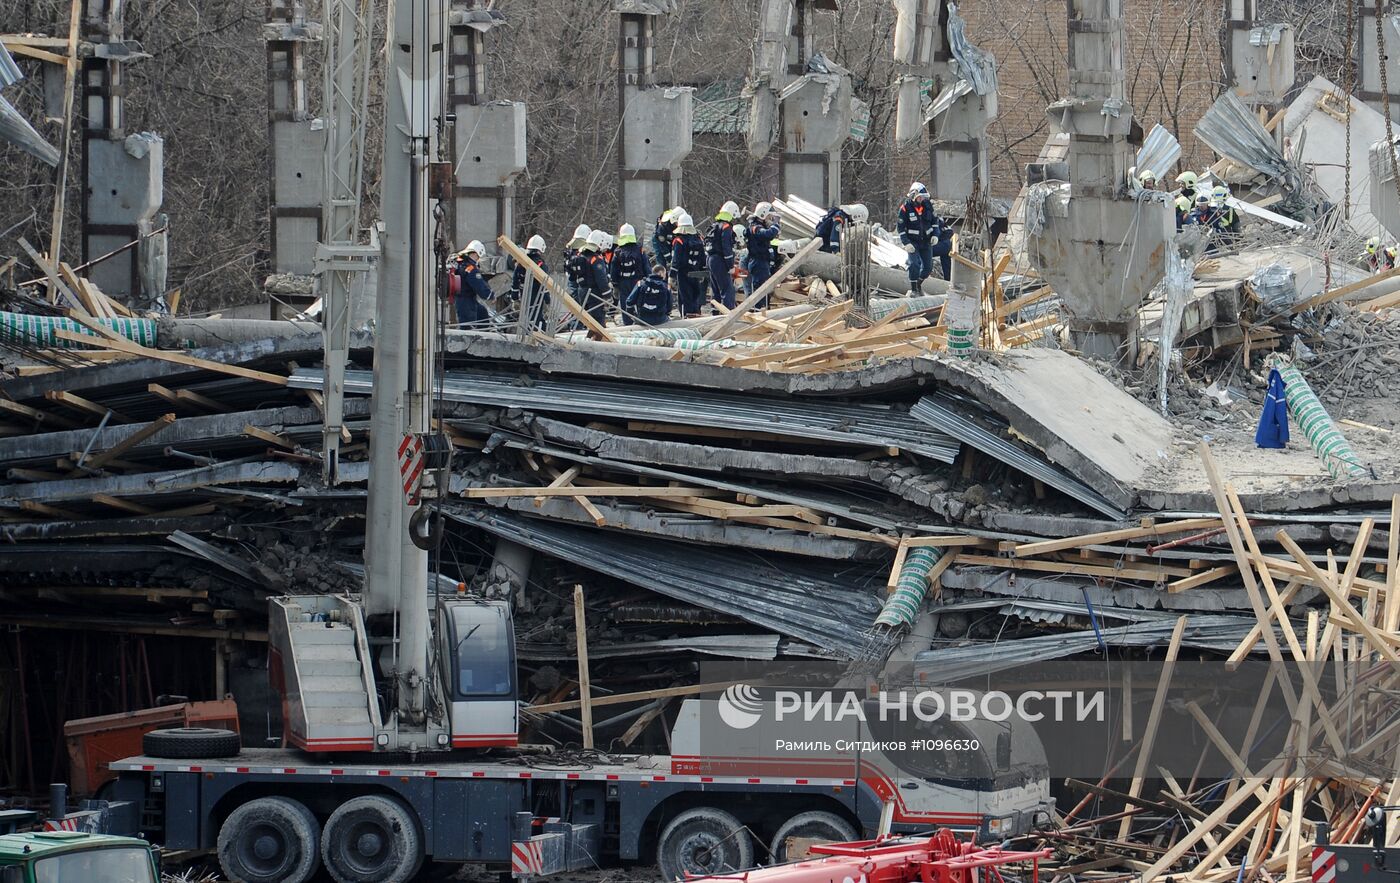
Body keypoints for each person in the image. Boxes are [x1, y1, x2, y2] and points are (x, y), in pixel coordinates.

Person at [897, 182, 950, 293]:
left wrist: (935, 235)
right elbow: (901, 229)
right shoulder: (905, 209)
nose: (922, 200)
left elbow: (935, 222)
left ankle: (918, 284)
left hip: (926, 242)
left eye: (923, 197)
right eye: (920, 197)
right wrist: (906, 243)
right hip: (913, 242)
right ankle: (913, 290)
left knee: (927, 268)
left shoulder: (928, 207)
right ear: (913, 196)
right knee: (914, 265)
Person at [566, 229, 611, 328]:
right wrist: (608, 295)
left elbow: (572, 276)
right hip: (594, 294)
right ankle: (598, 340)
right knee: (597, 322)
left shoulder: (579, 257)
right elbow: (601, 279)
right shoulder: (596, 260)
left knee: (585, 320)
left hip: (581, 291)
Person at [610, 224, 651, 325]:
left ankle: (628, 324)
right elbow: (647, 267)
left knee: (625, 304)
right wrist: (649, 280)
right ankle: (641, 323)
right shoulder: (640, 250)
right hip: (638, 282)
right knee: (639, 302)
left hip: (623, 283)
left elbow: (613, 271)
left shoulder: (617, 252)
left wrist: (615, 285)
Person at [508, 234, 550, 329]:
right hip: (536, 296)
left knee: (526, 318)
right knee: (536, 319)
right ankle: (538, 336)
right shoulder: (541, 265)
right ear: (541, 248)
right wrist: (548, 300)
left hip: (524, 295)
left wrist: (514, 298)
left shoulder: (521, 263)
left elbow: (515, 282)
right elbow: (545, 285)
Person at [671, 212, 709, 317]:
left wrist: (672, 276)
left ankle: (686, 317)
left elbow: (676, 260)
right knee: (695, 295)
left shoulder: (679, 241)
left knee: (684, 296)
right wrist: (702, 272)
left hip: (684, 273)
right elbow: (703, 257)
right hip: (696, 272)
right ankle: (696, 313)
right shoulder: (699, 239)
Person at [744, 202, 781, 306]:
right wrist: (776, 225)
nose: (770, 218)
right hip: (758, 262)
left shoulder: (759, 226)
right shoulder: (755, 227)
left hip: (762, 262)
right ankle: (759, 312)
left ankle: (763, 309)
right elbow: (768, 234)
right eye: (769, 216)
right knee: (760, 291)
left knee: (765, 291)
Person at [452, 240, 494, 327]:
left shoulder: (461, 263)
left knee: (482, 314)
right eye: (478, 257)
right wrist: (490, 295)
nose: (478, 259)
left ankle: (483, 337)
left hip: (463, 299)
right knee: (468, 328)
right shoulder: (471, 268)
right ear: (475, 254)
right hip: (466, 301)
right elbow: (479, 285)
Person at [706, 201, 739, 310]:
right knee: (727, 290)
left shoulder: (713, 226)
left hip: (710, 259)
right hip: (720, 261)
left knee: (716, 291)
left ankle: (715, 315)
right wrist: (730, 266)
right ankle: (727, 317)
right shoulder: (726, 227)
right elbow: (726, 248)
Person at [652, 207, 681, 272]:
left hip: (668, 237)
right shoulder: (662, 227)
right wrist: (669, 258)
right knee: (661, 260)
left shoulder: (676, 223)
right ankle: (661, 277)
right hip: (658, 239)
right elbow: (662, 245)